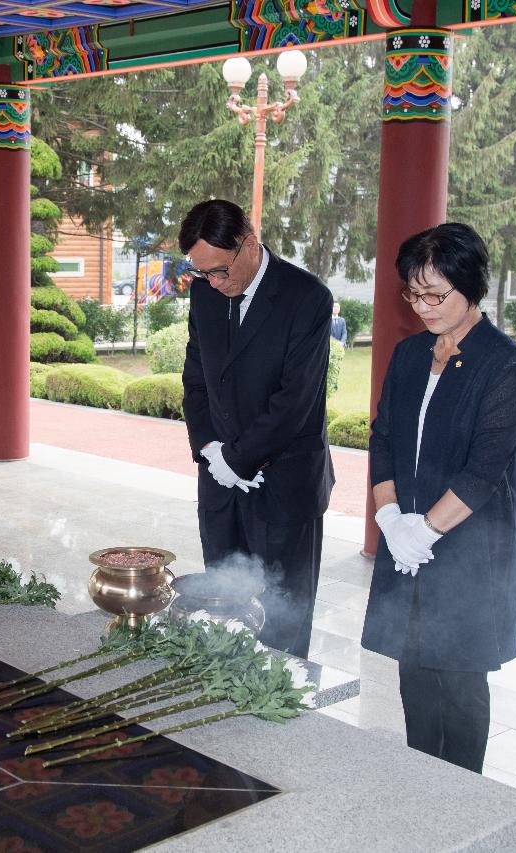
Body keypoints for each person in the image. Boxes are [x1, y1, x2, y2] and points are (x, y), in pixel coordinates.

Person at [360, 222, 516, 774]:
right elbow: (383, 436)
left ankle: (463, 800)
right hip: (407, 539)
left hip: (466, 550)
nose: (423, 306)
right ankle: (420, 786)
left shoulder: (506, 364)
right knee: (413, 673)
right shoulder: (410, 354)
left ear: (472, 287)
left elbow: (484, 471)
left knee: (459, 684)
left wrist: (424, 531)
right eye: (413, 294)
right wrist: (390, 518)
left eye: (436, 294)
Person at [180, 199, 334, 658]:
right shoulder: (205, 292)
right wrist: (210, 449)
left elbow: (294, 402)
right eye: (203, 273)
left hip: (283, 483)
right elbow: (196, 379)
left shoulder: (306, 297)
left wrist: (238, 457)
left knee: (281, 617)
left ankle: (279, 716)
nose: (214, 282)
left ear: (248, 244)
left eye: (221, 271)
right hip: (220, 482)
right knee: (222, 607)